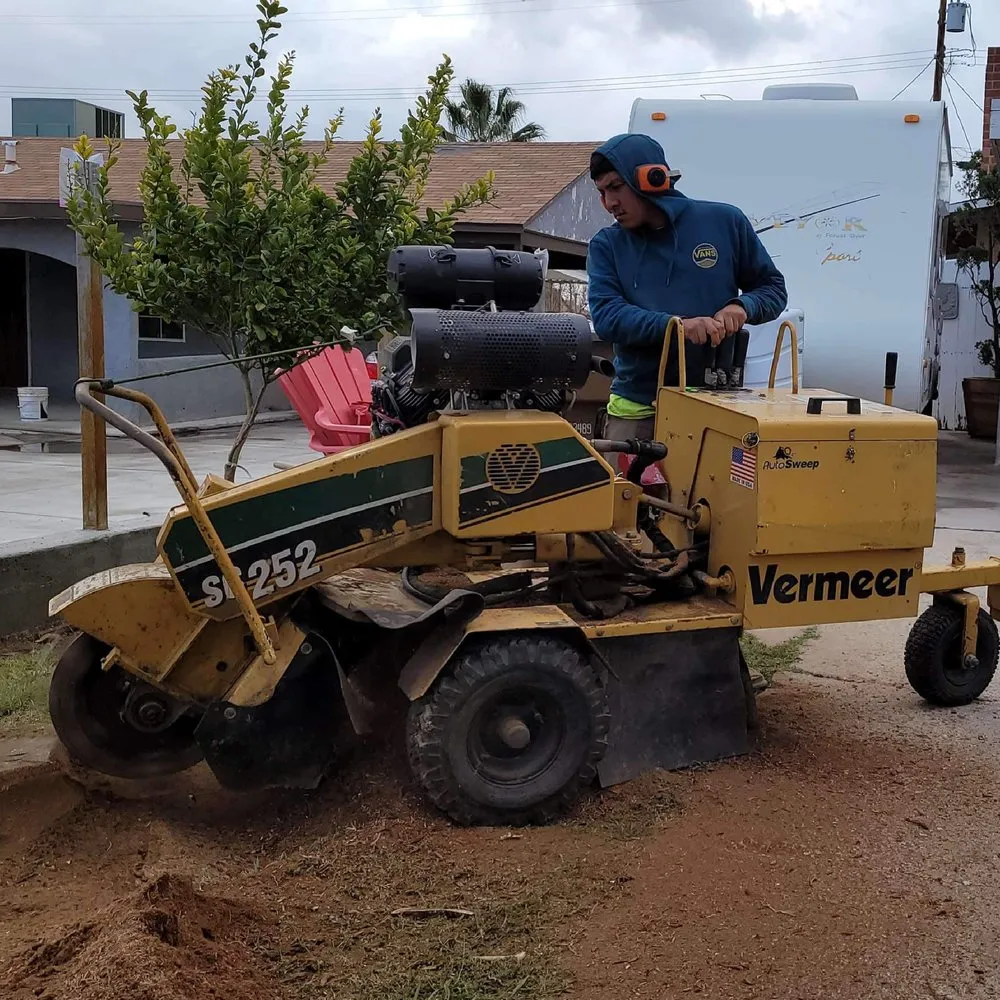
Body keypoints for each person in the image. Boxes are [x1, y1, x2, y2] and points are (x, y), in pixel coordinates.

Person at [587, 132, 788, 448]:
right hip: (638, 412)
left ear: (652, 178)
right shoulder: (606, 245)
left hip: (716, 408)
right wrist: (677, 326)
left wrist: (742, 306)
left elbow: (773, 288)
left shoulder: (725, 222)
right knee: (626, 483)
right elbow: (607, 317)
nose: (609, 203)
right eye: (602, 192)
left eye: (615, 187)